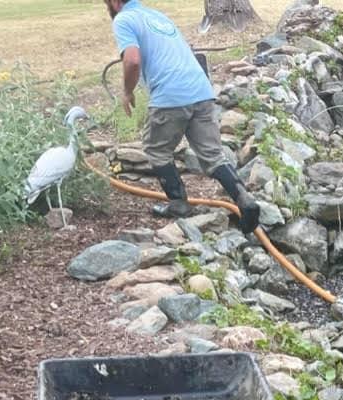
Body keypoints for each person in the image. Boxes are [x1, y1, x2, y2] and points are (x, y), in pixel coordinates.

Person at [105, 0, 261, 232]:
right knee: (213, 156)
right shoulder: (158, 17)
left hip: (171, 95)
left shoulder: (124, 19)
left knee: (156, 149)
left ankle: (178, 204)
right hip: (201, 89)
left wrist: (127, 92)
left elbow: (132, 60)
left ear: (115, 2)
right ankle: (244, 199)